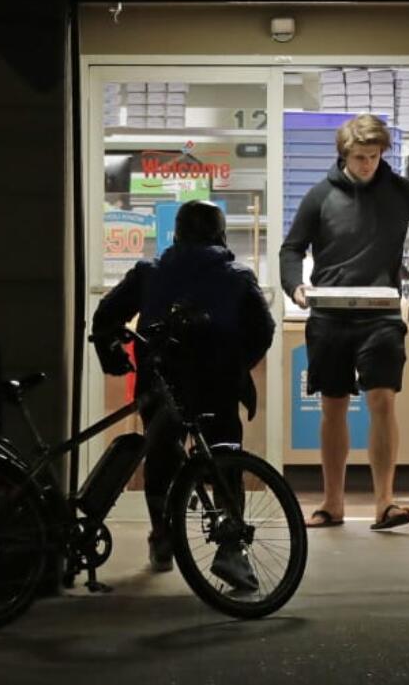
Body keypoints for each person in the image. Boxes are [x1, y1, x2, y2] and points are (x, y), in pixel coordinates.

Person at [279, 113, 409, 532]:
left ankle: (385, 504)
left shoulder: (399, 190)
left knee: (382, 399)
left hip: (380, 313)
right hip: (328, 314)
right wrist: (296, 288)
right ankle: (332, 504)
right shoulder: (320, 195)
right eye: (360, 157)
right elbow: (291, 249)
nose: (367, 165)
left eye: (374, 156)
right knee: (334, 406)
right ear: (344, 154)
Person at [93, 200, 275, 586]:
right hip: (218, 387)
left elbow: (106, 315)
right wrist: (237, 364)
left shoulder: (149, 273)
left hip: (161, 384)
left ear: (175, 234)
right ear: (221, 234)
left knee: (162, 455)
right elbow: (263, 329)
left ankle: (162, 537)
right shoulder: (238, 276)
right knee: (224, 458)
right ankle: (231, 550)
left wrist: (114, 359)